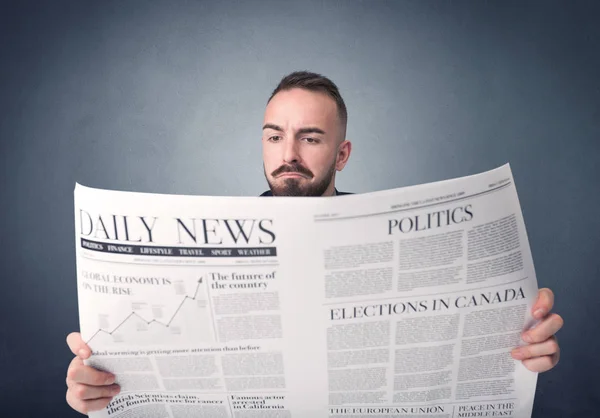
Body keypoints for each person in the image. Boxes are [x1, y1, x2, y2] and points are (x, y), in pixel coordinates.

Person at [65, 71, 564, 415]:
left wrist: (523, 349)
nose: (288, 154)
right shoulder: (202, 252)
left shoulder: (399, 248)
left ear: (341, 153)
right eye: (274, 136)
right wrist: (96, 385)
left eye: (310, 138)